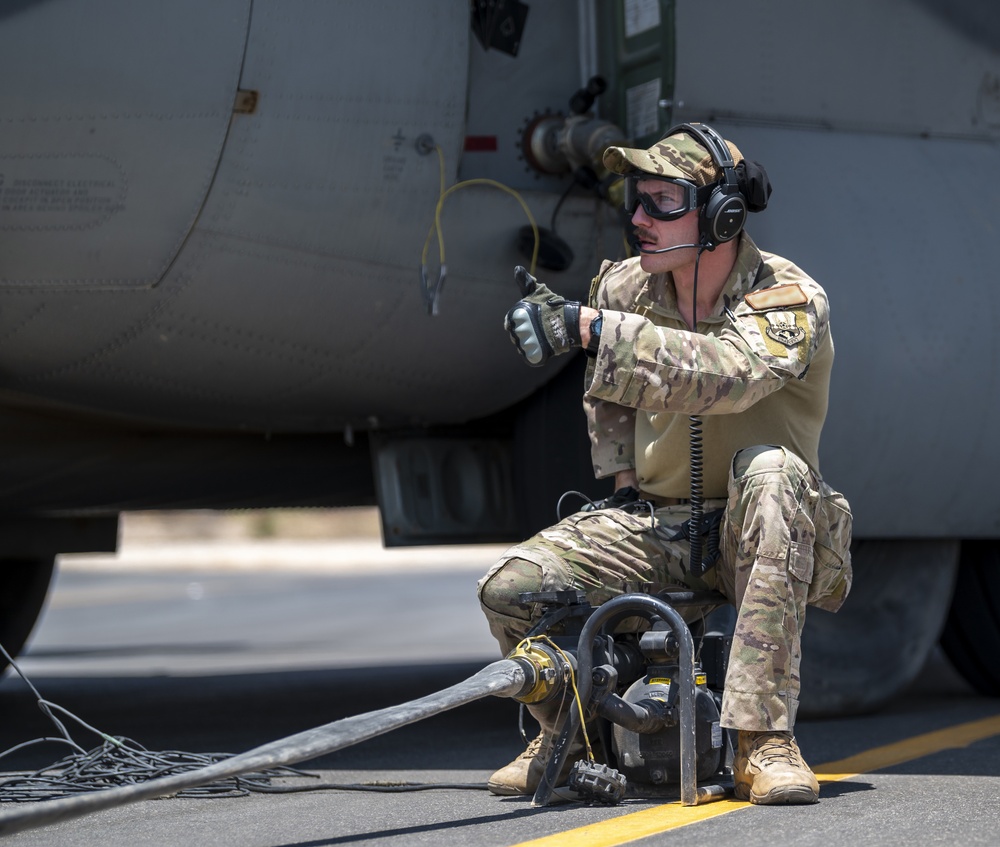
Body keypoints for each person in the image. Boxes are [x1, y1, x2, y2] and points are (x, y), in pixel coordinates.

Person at [478, 122, 853, 805]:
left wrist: (591, 328)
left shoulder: (788, 297)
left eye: (662, 203)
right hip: (662, 526)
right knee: (510, 586)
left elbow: (728, 374)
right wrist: (622, 479)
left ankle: (762, 740)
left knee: (774, 472)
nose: (640, 219)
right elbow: (609, 391)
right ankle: (570, 736)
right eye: (637, 201)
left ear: (722, 217)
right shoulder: (625, 287)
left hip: (760, 532)